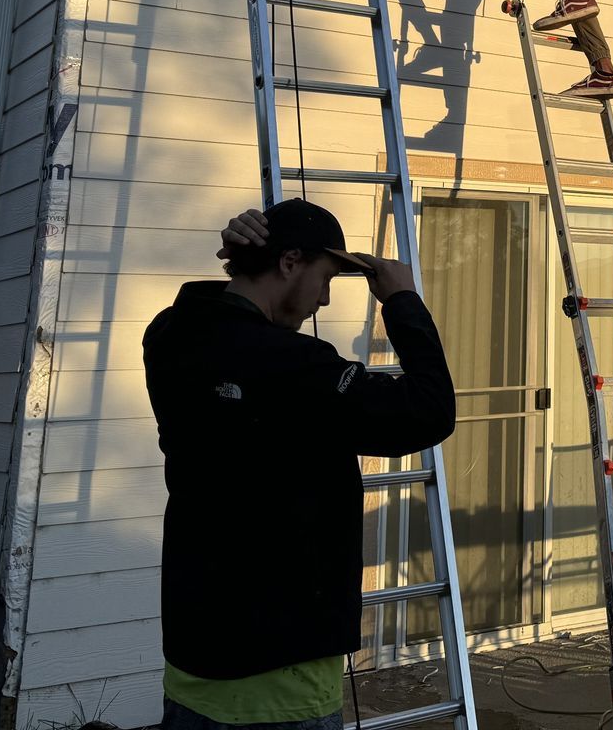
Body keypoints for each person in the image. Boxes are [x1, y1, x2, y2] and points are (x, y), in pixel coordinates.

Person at [143, 199, 456, 730]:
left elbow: (208, 315)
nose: (324, 300)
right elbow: (429, 412)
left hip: (194, 661)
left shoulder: (168, 336)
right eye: (326, 277)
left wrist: (238, 258)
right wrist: (401, 299)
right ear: (289, 262)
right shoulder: (297, 366)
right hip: (283, 680)